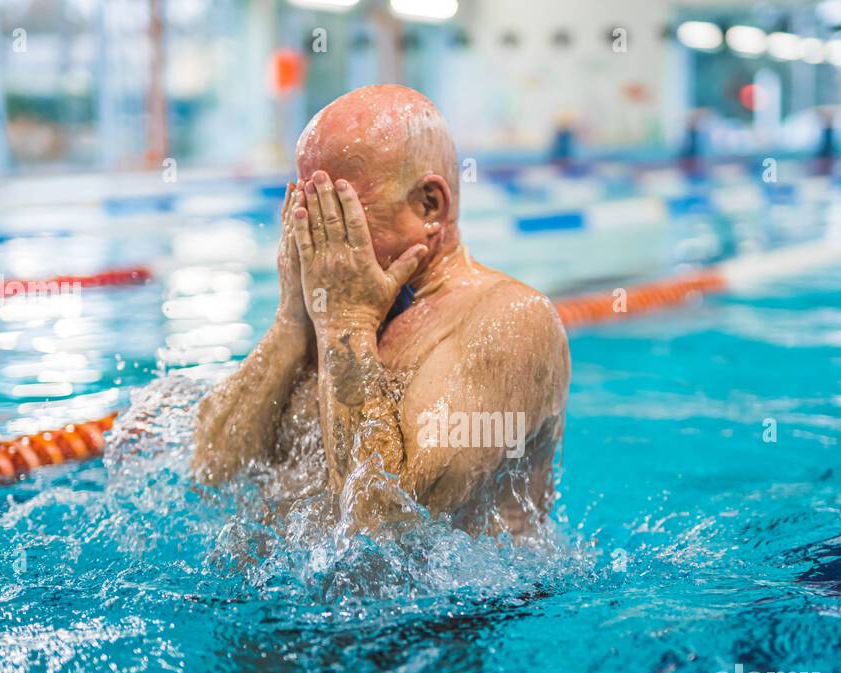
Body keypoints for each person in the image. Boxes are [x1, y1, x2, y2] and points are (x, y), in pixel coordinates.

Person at [191, 85, 570, 537]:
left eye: (341, 211)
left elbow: (384, 530)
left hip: (457, 609)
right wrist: (293, 321)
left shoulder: (509, 321)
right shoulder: (332, 304)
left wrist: (346, 322)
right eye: (309, 209)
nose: (320, 239)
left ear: (430, 205)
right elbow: (211, 476)